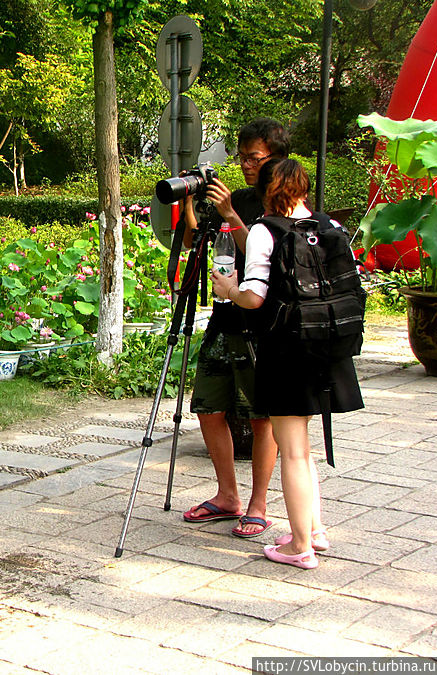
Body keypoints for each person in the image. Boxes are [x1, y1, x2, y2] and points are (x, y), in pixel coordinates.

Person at [211, 158, 364, 568]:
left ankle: (300, 546)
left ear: (266, 190)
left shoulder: (265, 230)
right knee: (305, 447)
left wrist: (228, 288)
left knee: (293, 451)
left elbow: (254, 298)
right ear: (303, 189)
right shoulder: (329, 227)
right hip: (330, 346)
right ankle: (314, 528)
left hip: (287, 350)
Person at [180, 118, 289, 538]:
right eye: (242, 157)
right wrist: (192, 202)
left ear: (276, 157)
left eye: (254, 158)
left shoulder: (284, 201)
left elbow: (267, 255)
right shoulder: (239, 197)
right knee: (208, 408)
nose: (246, 165)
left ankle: (258, 505)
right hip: (225, 318)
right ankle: (228, 496)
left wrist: (229, 214)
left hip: (263, 323)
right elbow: (194, 242)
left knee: (263, 418)